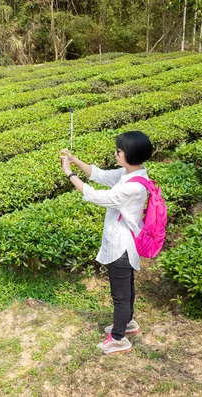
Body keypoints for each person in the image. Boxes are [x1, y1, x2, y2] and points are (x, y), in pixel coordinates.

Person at [59, 131, 153, 355]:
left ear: (128, 155)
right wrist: (74, 160)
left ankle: (119, 338)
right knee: (127, 290)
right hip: (126, 242)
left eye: (118, 151)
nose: (115, 154)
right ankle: (128, 323)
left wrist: (69, 174)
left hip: (121, 245)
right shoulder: (132, 173)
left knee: (120, 296)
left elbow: (96, 196)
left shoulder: (132, 187)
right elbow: (99, 175)